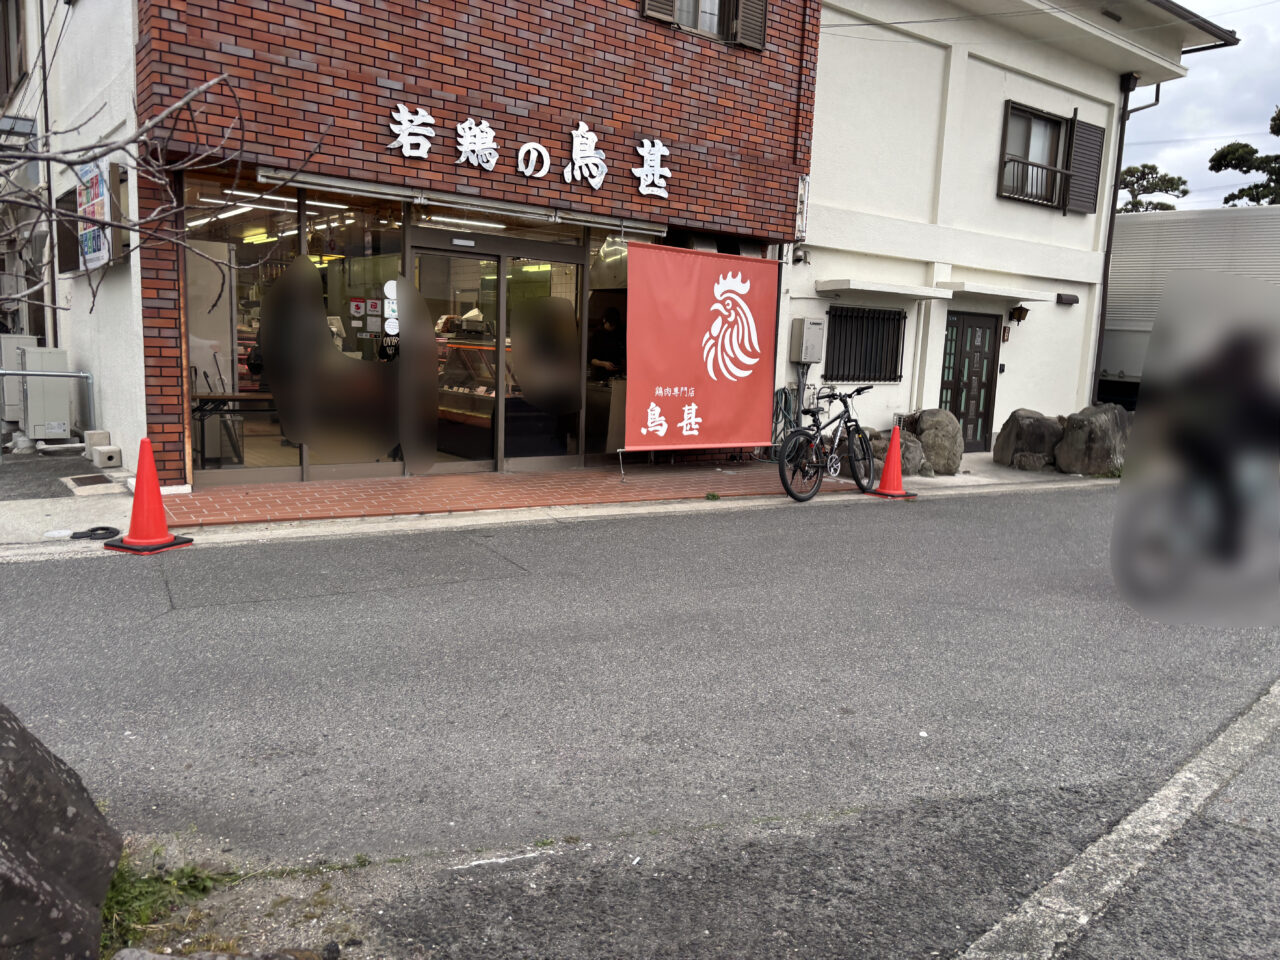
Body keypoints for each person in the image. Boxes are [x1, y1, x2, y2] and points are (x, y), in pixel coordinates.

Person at [589, 307, 625, 380]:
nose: (612, 327)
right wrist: (604, 364)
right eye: (610, 324)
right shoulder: (597, 335)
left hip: (617, 376)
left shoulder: (619, 333)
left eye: (614, 325)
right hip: (600, 376)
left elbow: (623, 355)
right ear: (604, 320)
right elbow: (590, 359)